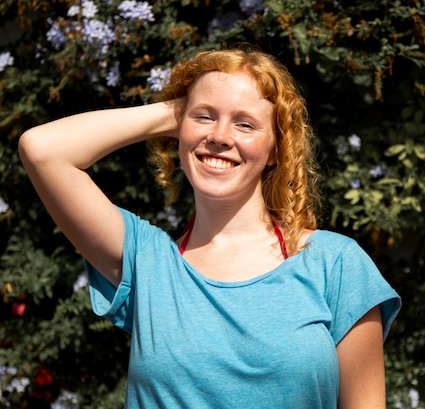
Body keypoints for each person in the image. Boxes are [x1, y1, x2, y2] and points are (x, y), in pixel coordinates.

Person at [18, 46, 401, 409]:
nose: (219, 137)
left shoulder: (335, 265)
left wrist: (204, 112)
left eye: (245, 124)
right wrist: (176, 112)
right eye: (204, 117)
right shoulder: (147, 263)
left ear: (276, 151)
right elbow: (43, 149)